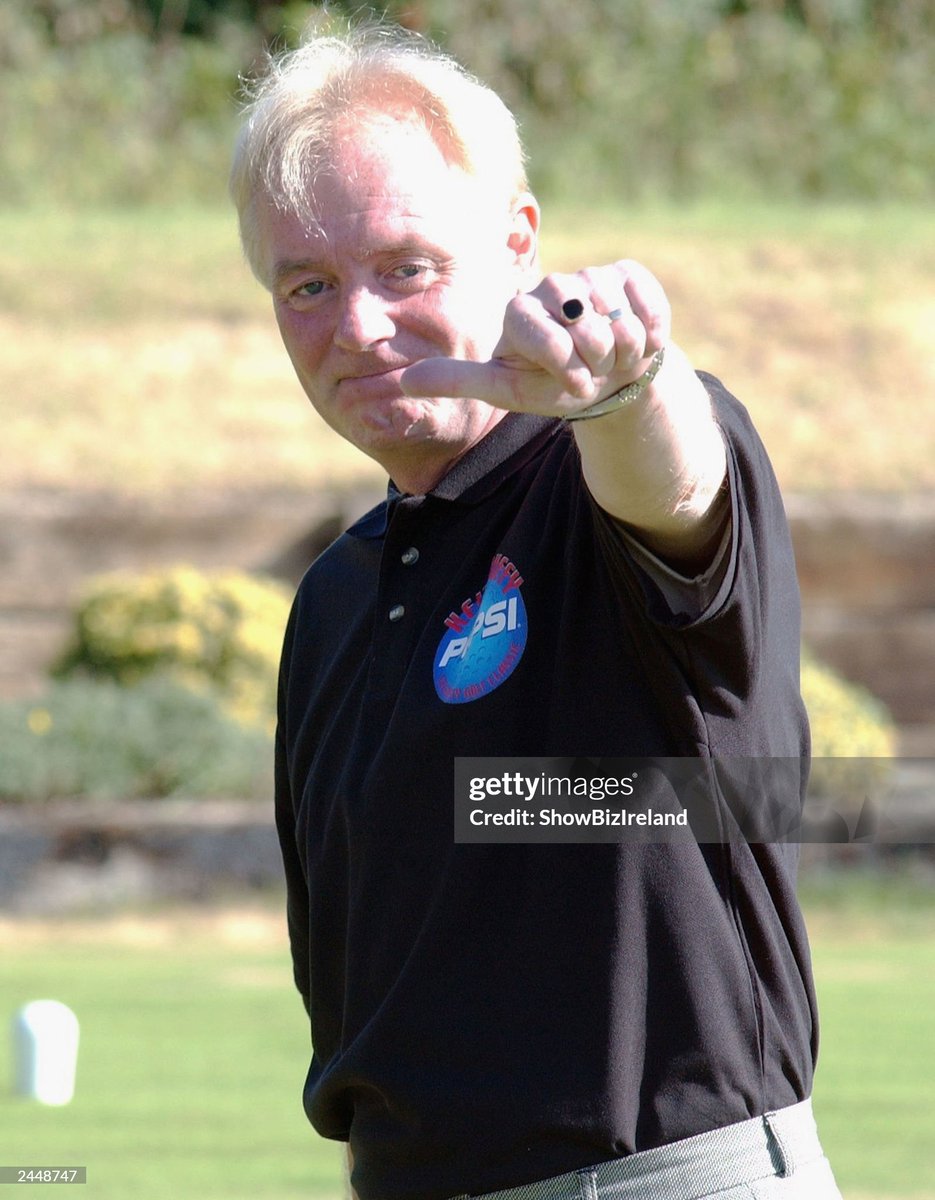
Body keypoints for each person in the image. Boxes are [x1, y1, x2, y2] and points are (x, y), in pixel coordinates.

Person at [229, 20, 842, 1200]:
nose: (357, 326)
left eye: (404, 266)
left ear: (516, 242)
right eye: (308, 284)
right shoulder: (336, 596)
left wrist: (621, 390)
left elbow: (670, 489)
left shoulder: (596, 482)